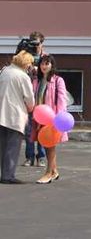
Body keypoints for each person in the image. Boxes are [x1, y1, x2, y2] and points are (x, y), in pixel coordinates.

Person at [0, 51, 36, 183]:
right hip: (15, 115)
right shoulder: (22, 76)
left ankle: (4, 174)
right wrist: (31, 108)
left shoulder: (4, 71)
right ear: (26, 63)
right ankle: (8, 176)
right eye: (30, 63)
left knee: (3, 146)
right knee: (13, 147)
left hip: (1, 113)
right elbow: (29, 98)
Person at [32, 55, 68, 184]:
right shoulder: (37, 81)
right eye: (42, 63)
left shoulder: (58, 80)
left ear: (52, 65)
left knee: (50, 145)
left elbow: (62, 101)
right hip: (39, 118)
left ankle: (48, 173)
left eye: (47, 63)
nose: (44, 66)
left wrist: (58, 120)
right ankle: (54, 171)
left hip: (52, 119)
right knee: (46, 144)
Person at [17, 32, 45, 168]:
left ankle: (41, 157)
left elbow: (50, 76)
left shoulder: (46, 58)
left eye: (37, 43)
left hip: (41, 98)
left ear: (42, 43)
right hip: (28, 97)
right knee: (28, 130)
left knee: (41, 129)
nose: (35, 46)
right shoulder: (25, 57)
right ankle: (29, 157)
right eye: (32, 43)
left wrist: (39, 69)